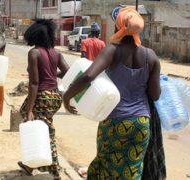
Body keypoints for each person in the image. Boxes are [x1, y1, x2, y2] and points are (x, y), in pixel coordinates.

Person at [63, 6, 161, 179]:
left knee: (105, 166)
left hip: (114, 121)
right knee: (132, 171)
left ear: (118, 26)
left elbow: (88, 76)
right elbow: (155, 95)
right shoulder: (151, 56)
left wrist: (67, 96)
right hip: (141, 123)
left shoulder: (112, 50)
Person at [17, 19, 69, 180]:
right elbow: (67, 71)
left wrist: (30, 109)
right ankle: (30, 164)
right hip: (55, 96)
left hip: (42, 96)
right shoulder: (56, 53)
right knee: (41, 127)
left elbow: (34, 83)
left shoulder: (34, 53)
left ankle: (55, 171)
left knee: (44, 130)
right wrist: (53, 75)